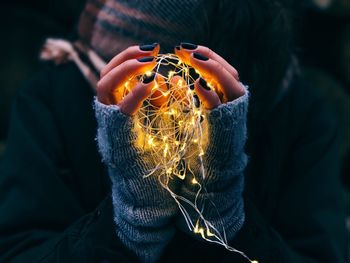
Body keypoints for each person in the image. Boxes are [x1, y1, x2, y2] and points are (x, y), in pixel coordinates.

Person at [0, 0, 347, 262]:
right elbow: (21, 249)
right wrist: (129, 226)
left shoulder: (300, 111)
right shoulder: (53, 98)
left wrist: (225, 218)